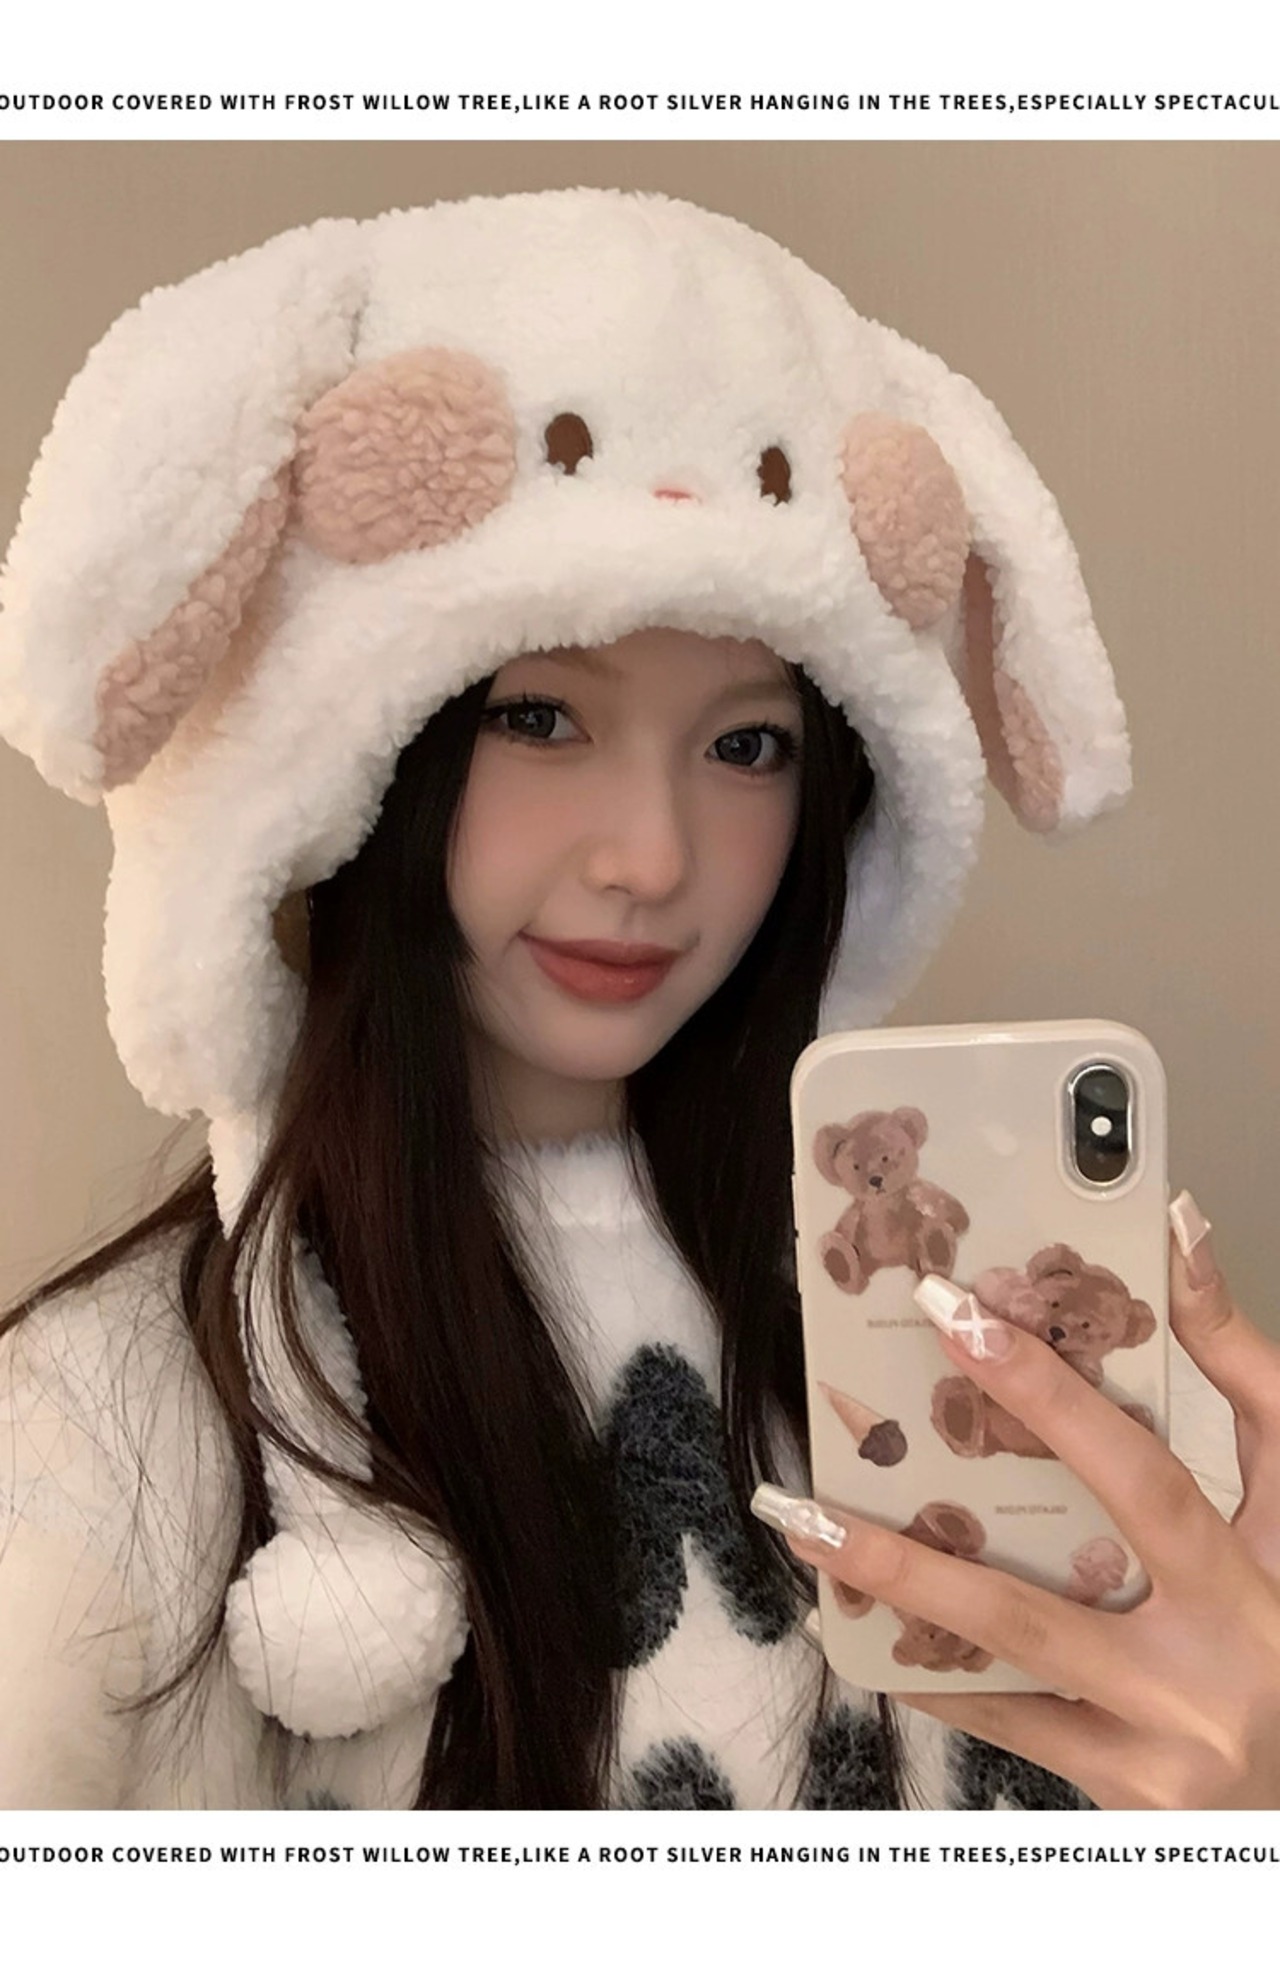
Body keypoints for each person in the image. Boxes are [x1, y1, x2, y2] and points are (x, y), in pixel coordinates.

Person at [0, 189, 1263, 1811]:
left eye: (748, 744)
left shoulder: (998, 1321)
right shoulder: (109, 1442)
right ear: (343, 769)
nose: (653, 859)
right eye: (540, 717)